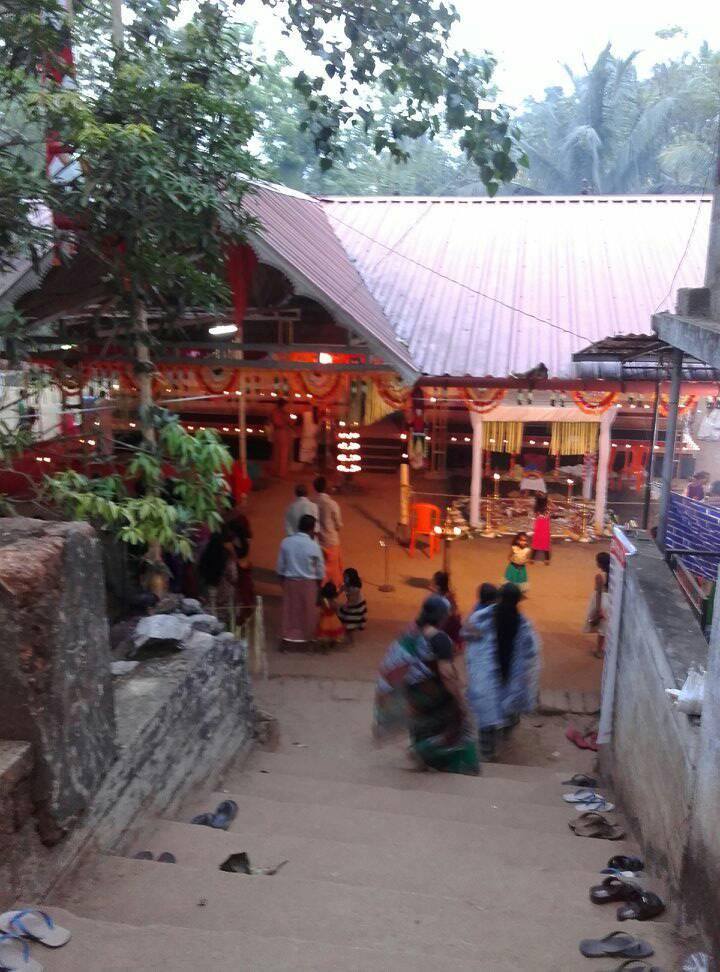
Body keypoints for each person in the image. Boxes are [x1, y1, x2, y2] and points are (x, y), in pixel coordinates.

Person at [374, 595, 479, 775]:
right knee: (457, 726)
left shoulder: (411, 632)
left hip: (409, 691)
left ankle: (421, 757)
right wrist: (460, 700)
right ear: (442, 617)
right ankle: (435, 756)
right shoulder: (440, 639)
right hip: (429, 692)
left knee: (421, 725)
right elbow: (447, 675)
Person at [463, 583, 540, 763]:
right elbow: (531, 651)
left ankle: (488, 749)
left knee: (487, 708)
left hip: (489, 671)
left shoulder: (484, 616)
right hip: (509, 672)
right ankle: (504, 731)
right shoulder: (522, 622)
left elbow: (467, 632)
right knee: (507, 705)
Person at [275, 514, 325, 650]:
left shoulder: (286, 542)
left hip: (290, 581)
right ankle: (308, 639)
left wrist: (282, 582)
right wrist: (319, 587)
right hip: (308, 583)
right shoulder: (314, 546)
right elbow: (320, 569)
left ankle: (287, 639)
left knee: (290, 612)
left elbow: (280, 566)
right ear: (311, 529)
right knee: (308, 612)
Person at [314, 475, 343, 587]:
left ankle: (320, 588)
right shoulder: (333, 504)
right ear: (326, 488)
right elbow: (338, 524)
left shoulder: (313, 503)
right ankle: (331, 591)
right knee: (334, 569)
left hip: (318, 541)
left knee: (321, 566)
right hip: (331, 540)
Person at [585, 551, 610, 659]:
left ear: (600, 564)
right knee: (605, 626)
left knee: (601, 628)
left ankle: (599, 651)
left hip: (602, 601)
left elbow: (599, 593)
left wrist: (598, 610)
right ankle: (603, 648)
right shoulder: (613, 574)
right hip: (610, 601)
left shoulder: (599, 576)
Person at [430, 570, 462, 651]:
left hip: (448, 625)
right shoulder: (445, 595)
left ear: (438, 586)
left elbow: (449, 616)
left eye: (433, 581)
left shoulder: (444, 598)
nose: (431, 582)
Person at [338, 567, 367, 639]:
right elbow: (338, 593)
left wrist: (340, 606)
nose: (343, 578)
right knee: (345, 619)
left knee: (350, 622)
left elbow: (352, 602)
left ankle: (350, 638)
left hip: (356, 605)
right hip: (350, 603)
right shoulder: (345, 585)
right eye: (343, 576)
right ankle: (348, 635)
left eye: (345, 577)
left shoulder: (355, 589)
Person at [316, 581, 344, 651]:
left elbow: (320, 605)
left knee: (325, 634)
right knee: (334, 634)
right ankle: (332, 644)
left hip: (325, 619)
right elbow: (336, 608)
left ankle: (325, 647)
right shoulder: (334, 601)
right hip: (333, 619)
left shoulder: (323, 600)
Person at [270, 399, 292, 478]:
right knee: (283, 453)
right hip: (282, 433)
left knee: (276, 453)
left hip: (276, 433)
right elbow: (282, 422)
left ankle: (277, 471)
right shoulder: (282, 412)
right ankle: (281, 473)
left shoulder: (274, 411)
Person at [530, 494, 551, 565]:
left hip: (538, 529)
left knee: (536, 543)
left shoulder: (536, 510)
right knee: (545, 544)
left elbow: (535, 516)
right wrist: (550, 502)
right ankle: (547, 560)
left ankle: (532, 559)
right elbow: (556, 508)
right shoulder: (547, 509)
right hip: (545, 529)